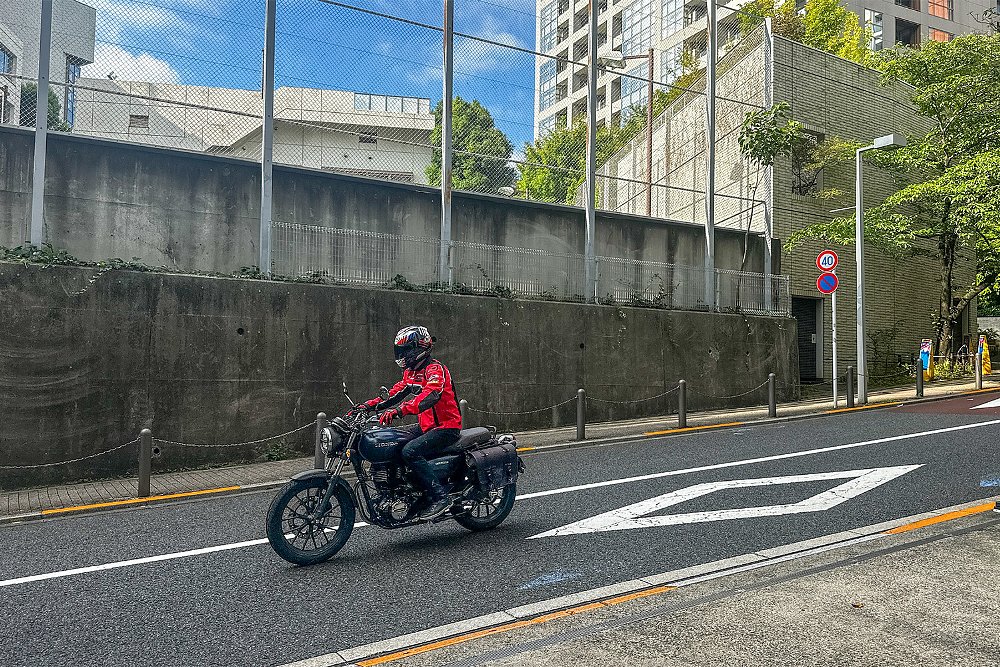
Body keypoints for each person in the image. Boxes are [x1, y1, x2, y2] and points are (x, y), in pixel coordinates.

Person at [359, 325, 462, 521]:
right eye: (400, 351)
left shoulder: (435, 370)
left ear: (419, 348)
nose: (402, 355)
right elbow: (393, 393)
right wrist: (367, 406)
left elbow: (431, 395)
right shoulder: (411, 373)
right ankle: (399, 490)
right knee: (393, 442)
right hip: (426, 427)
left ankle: (440, 497)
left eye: (406, 350)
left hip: (446, 427)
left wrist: (400, 410)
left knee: (410, 451)